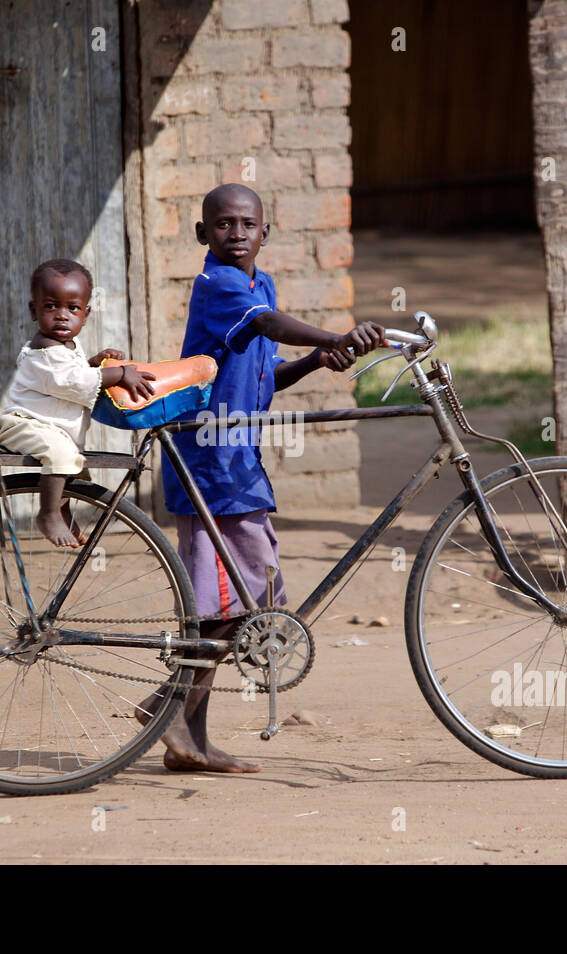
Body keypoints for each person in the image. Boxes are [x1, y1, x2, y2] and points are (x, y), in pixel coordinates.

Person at [137, 183, 384, 773]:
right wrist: (335, 335)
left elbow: (263, 371)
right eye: (223, 224)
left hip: (237, 461)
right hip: (212, 462)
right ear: (204, 235)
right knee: (242, 599)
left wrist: (315, 359)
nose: (237, 233)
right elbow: (269, 324)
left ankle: (184, 734)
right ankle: (169, 711)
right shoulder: (218, 284)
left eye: (248, 224)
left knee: (233, 603)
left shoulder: (259, 285)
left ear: (265, 232)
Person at [0, 259, 155, 547]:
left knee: (76, 467)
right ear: (34, 310)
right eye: (50, 306)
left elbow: (74, 371)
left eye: (72, 308)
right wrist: (118, 373)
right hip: (23, 424)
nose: (61, 316)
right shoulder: (42, 351)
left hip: (48, 427)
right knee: (62, 455)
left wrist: (95, 361)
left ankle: (62, 509)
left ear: (86, 314)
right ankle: (47, 515)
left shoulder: (66, 346)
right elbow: (72, 382)